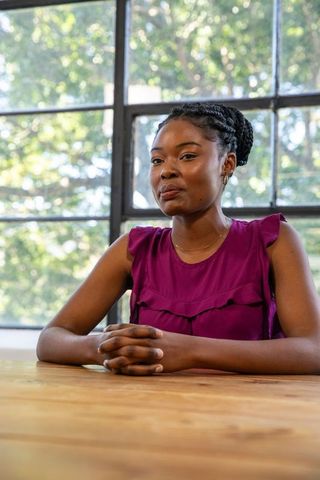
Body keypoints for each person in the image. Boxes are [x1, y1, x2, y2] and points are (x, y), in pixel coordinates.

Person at [37, 102, 320, 375]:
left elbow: (312, 350)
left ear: (227, 164)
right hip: (150, 415)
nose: (166, 171)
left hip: (248, 417)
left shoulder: (273, 241)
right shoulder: (134, 249)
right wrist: (100, 346)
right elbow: (50, 339)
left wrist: (190, 351)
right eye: (157, 160)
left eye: (187, 156)